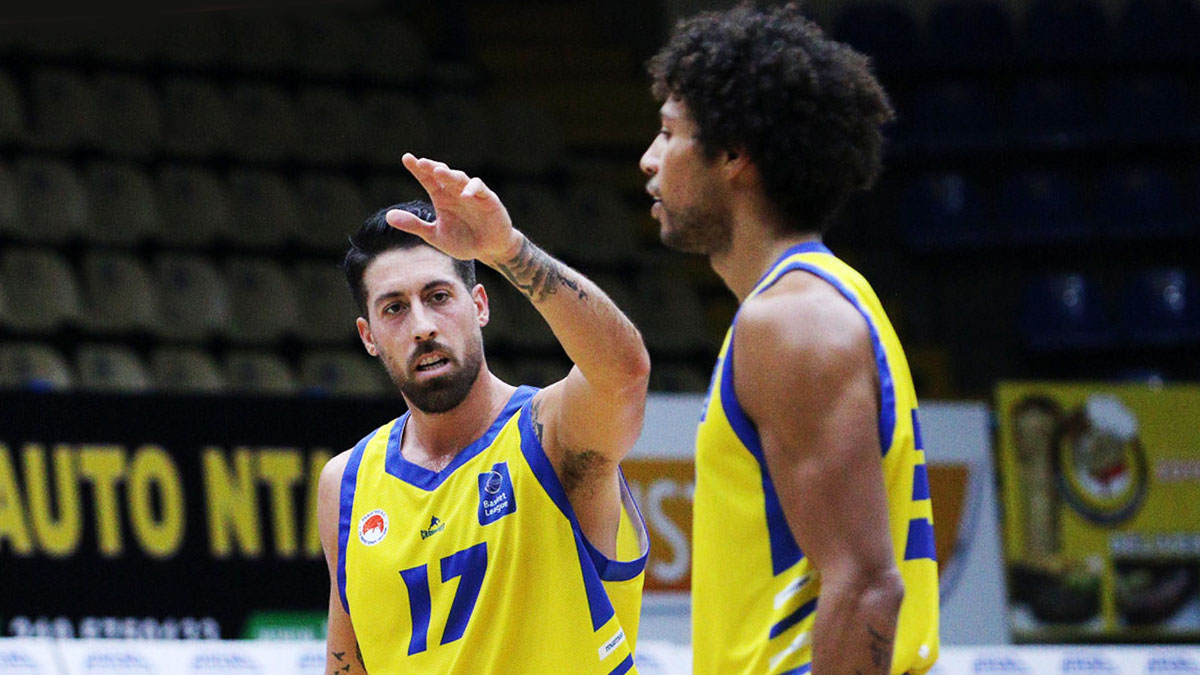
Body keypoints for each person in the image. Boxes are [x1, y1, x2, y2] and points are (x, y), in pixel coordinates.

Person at [639, 5, 939, 674]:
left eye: (668, 133)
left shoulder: (792, 322)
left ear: (734, 154)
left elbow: (867, 587)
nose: (649, 160)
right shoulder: (826, 297)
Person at [316, 153, 651, 674]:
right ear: (369, 337)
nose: (423, 326)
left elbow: (624, 374)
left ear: (480, 305)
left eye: (438, 296)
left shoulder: (550, 432)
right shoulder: (347, 483)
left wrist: (509, 250)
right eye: (394, 308)